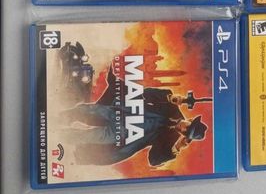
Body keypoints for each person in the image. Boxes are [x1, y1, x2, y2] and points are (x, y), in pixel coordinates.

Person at [58, 68, 208, 168]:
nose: (184, 128)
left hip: (120, 136)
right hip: (120, 113)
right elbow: (146, 94)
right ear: (190, 119)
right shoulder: (172, 108)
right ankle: (57, 119)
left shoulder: (171, 141)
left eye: (186, 132)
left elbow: (153, 160)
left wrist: (176, 148)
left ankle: (57, 136)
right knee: (86, 110)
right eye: (188, 126)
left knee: (87, 136)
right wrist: (169, 98)